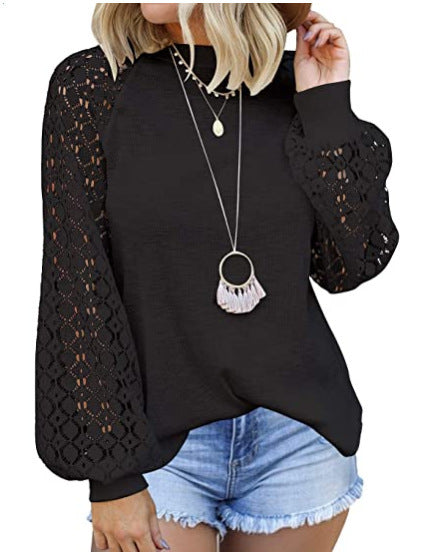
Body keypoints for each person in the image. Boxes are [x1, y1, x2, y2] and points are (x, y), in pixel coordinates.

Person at [35, 3, 399, 552]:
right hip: (153, 447)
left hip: (296, 440)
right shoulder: (93, 87)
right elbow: (77, 286)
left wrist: (325, 108)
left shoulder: (293, 87)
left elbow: (350, 264)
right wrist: (111, 475)